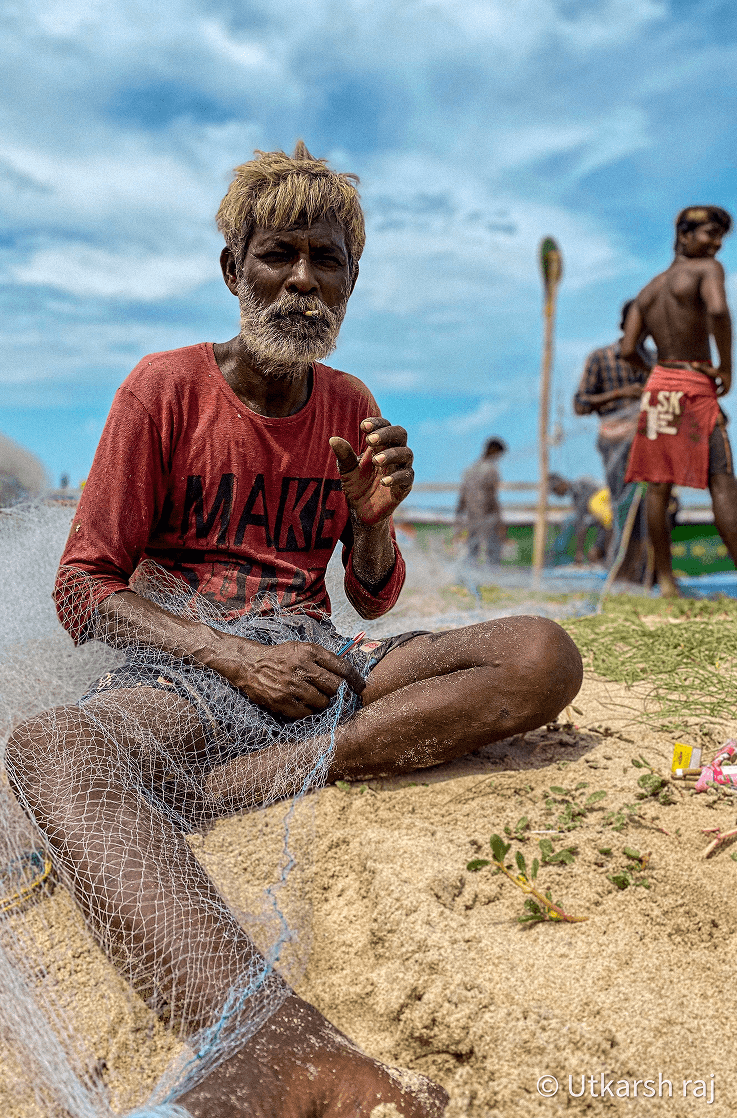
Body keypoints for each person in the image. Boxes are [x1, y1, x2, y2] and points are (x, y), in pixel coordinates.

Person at [5, 143, 583, 1117]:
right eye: (278, 254)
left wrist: (371, 519)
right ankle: (278, 1043)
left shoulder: (350, 404)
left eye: (329, 261)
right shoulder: (164, 388)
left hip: (321, 661)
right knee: (52, 746)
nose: (303, 279)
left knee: (538, 652)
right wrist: (236, 656)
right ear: (233, 269)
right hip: (187, 668)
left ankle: (222, 789)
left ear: (354, 283)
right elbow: (83, 587)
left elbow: (369, 597)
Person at [622, 205, 737, 597]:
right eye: (710, 234)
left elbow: (628, 349)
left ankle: (667, 582)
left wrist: (657, 374)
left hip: (659, 389)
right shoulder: (707, 270)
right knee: (722, 483)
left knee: (658, 488)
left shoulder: (648, 290)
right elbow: (719, 310)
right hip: (694, 383)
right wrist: (725, 368)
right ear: (685, 236)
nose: (718, 244)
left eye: (721, 236)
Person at [574, 302, 652, 582]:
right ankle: (621, 570)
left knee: (650, 506)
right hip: (614, 441)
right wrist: (622, 393)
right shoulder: (602, 358)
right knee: (623, 504)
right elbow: (580, 404)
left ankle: (644, 570)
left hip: (649, 439)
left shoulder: (654, 361)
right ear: (623, 326)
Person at [455, 436, 507, 564]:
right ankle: (492, 574)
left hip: (472, 513)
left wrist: (459, 512)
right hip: (487, 513)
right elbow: (492, 496)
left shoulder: (470, 468)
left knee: (473, 547)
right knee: (493, 547)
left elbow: (462, 494)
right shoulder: (491, 470)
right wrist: (499, 519)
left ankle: (472, 574)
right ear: (495, 452)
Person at [548, 473, 610, 565]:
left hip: (609, 516)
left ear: (561, 483)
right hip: (603, 520)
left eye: (555, 490)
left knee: (596, 551)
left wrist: (580, 553)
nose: (556, 494)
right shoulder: (576, 495)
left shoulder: (582, 487)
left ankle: (604, 556)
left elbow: (583, 524)